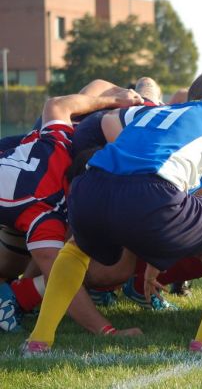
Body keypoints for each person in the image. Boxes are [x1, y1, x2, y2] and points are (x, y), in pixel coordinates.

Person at [22, 72, 202, 357]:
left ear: (190, 99)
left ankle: (38, 341)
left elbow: (111, 126)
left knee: (76, 247)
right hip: (151, 197)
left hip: (90, 187)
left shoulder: (153, 113)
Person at [0, 88, 145, 333]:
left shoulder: (59, 147)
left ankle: (15, 296)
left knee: (16, 267)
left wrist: (110, 99)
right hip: (23, 199)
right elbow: (62, 279)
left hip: (14, 175)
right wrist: (106, 330)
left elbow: (56, 105)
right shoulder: (45, 209)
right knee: (86, 268)